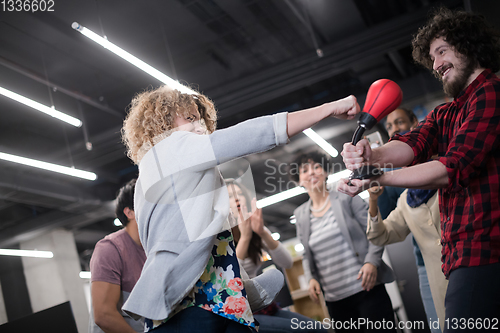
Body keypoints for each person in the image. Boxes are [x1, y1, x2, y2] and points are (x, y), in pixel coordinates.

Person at [120, 84, 360, 333]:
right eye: (190, 118)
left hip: (211, 301)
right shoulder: (171, 148)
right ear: (163, 122)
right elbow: (251, 134)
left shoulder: (159, 171)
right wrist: (328, 108)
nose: (200, 126)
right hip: (194, 306)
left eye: (200, 119)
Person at [339, 7, 500, 330]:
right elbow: (412, 143)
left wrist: (377, 174)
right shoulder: (447, 113)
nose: (437, 65)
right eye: (432, 58)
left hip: (487, 248)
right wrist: (370, 154)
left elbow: (450, 168)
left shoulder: (491, 92)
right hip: (464, 253)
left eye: (442, 51)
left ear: (469, 46)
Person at [291, 151, 396, 333]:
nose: (312, 173)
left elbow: (375, 230)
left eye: (316, 167)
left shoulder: (346, 196)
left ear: (325, 172)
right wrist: (311, 278)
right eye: (304, 170)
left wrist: (372, 261)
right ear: (299, 181)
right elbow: (307, 255)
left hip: (368, 290)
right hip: (336, 300)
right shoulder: (300, 215)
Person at [375, 107, 445, 333]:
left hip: (460, 251)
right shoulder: (396, 173)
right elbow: (387, 218)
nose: (395, 128)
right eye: (389, 126)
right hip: (426, 259)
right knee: (439, 324)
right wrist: (378, 189)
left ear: (415, 122)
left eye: (399, 122)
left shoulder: (436, 152)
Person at [226, 179, 327, 333]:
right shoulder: (221, 238)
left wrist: (262, 232)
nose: (237, 198)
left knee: (318, 329)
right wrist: (245, 238)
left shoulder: (254, 227)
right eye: (231, 196)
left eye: (240, 194)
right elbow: (231, 279)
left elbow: (287, 263)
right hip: (243, 312)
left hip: (266, 307)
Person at [89, 179, 146, 333]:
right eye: (148, 203)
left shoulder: (152, 250)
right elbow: (103, 315)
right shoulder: (110, 248)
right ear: (129, 212)